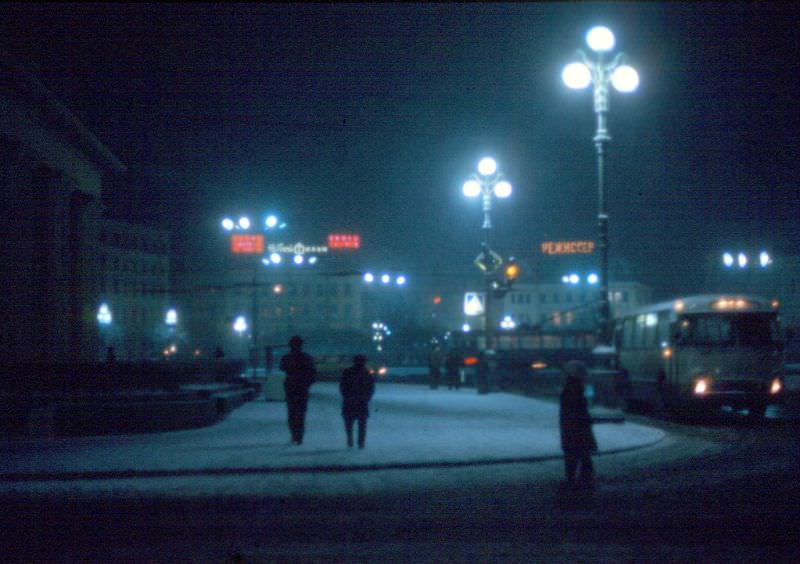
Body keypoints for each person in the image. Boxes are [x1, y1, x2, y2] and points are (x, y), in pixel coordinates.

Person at [559, 360, 597, 489]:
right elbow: (586, 405)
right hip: (580, 427)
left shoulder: (568, 387)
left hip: (570, 427)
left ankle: (572, 481)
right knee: (583, 455)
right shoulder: (579, 387)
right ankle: (584, 481)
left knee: (572, 456)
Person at [279, 336, 316, 445]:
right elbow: (313, 373)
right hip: (302, 387)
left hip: (291, 387)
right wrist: (307, 383)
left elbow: (282, 367)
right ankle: (299, 435)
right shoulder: (307, 358)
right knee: (301, 413)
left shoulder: (286, 358)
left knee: (292, 412)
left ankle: (294, 434)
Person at [339, 354, 376, 449]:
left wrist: (347, 396)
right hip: (362, 402)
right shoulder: (367, 373)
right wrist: (367, 397)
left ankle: (350, 440)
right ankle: (360, 442)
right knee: (362, 424)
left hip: (350, 401)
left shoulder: (348, 372)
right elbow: (371, 387)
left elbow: (343, 386)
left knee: (349, 424)